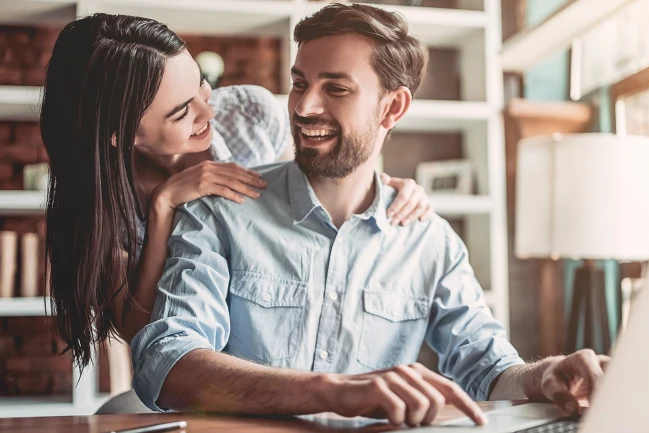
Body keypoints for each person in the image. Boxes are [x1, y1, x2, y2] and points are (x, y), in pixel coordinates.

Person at [131, 3, 609, 427]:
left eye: (336, 88)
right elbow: (166, 364)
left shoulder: (430, 242)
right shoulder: (220, 210)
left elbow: (489, 369)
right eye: (300, 84)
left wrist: (544, 374)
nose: (304, 106)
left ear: (392, 107)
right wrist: (333, 390)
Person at [39, 12, 434, 368]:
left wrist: (379, 186)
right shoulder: (100, 201)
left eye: (202, 86)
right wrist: (163, 206)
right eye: (182, 111)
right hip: (197, 373)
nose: (209, 112)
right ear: (121, 135)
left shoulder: (250, 115)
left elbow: (313, 182)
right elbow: (138, 331)